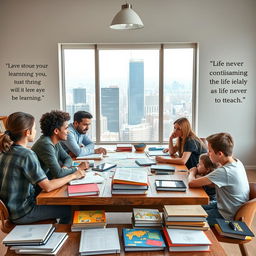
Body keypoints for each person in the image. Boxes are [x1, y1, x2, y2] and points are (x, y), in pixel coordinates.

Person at [0, 112, 86, 224]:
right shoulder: (27, 155)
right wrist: (74, 175)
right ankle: (60, 238)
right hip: (22, 212)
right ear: (28, 132)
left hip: (10, 210)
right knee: (68, 210)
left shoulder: (5, 150)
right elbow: (48, 187)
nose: (36, 131)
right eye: (34, 128)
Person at [188, 132, 249, 226]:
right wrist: (202, 179)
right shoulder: (236, 162)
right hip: (227, 207)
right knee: (190, 208)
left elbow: (191, 183)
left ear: (220, 154)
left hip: (226, 215)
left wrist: (193, 171)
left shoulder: (225, 171)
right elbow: (214, 183)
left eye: (210, 151)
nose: (208, 154)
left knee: (187, 217)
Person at [32, 110, 89, 179]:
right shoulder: (46, 144)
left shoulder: (55, 141)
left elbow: (67, 158)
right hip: (41, 187)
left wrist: (64, 168)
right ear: (56, 131)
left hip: (52, 179)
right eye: (66, 128)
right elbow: (58, 174)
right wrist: (78, 168)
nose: (68, 132)